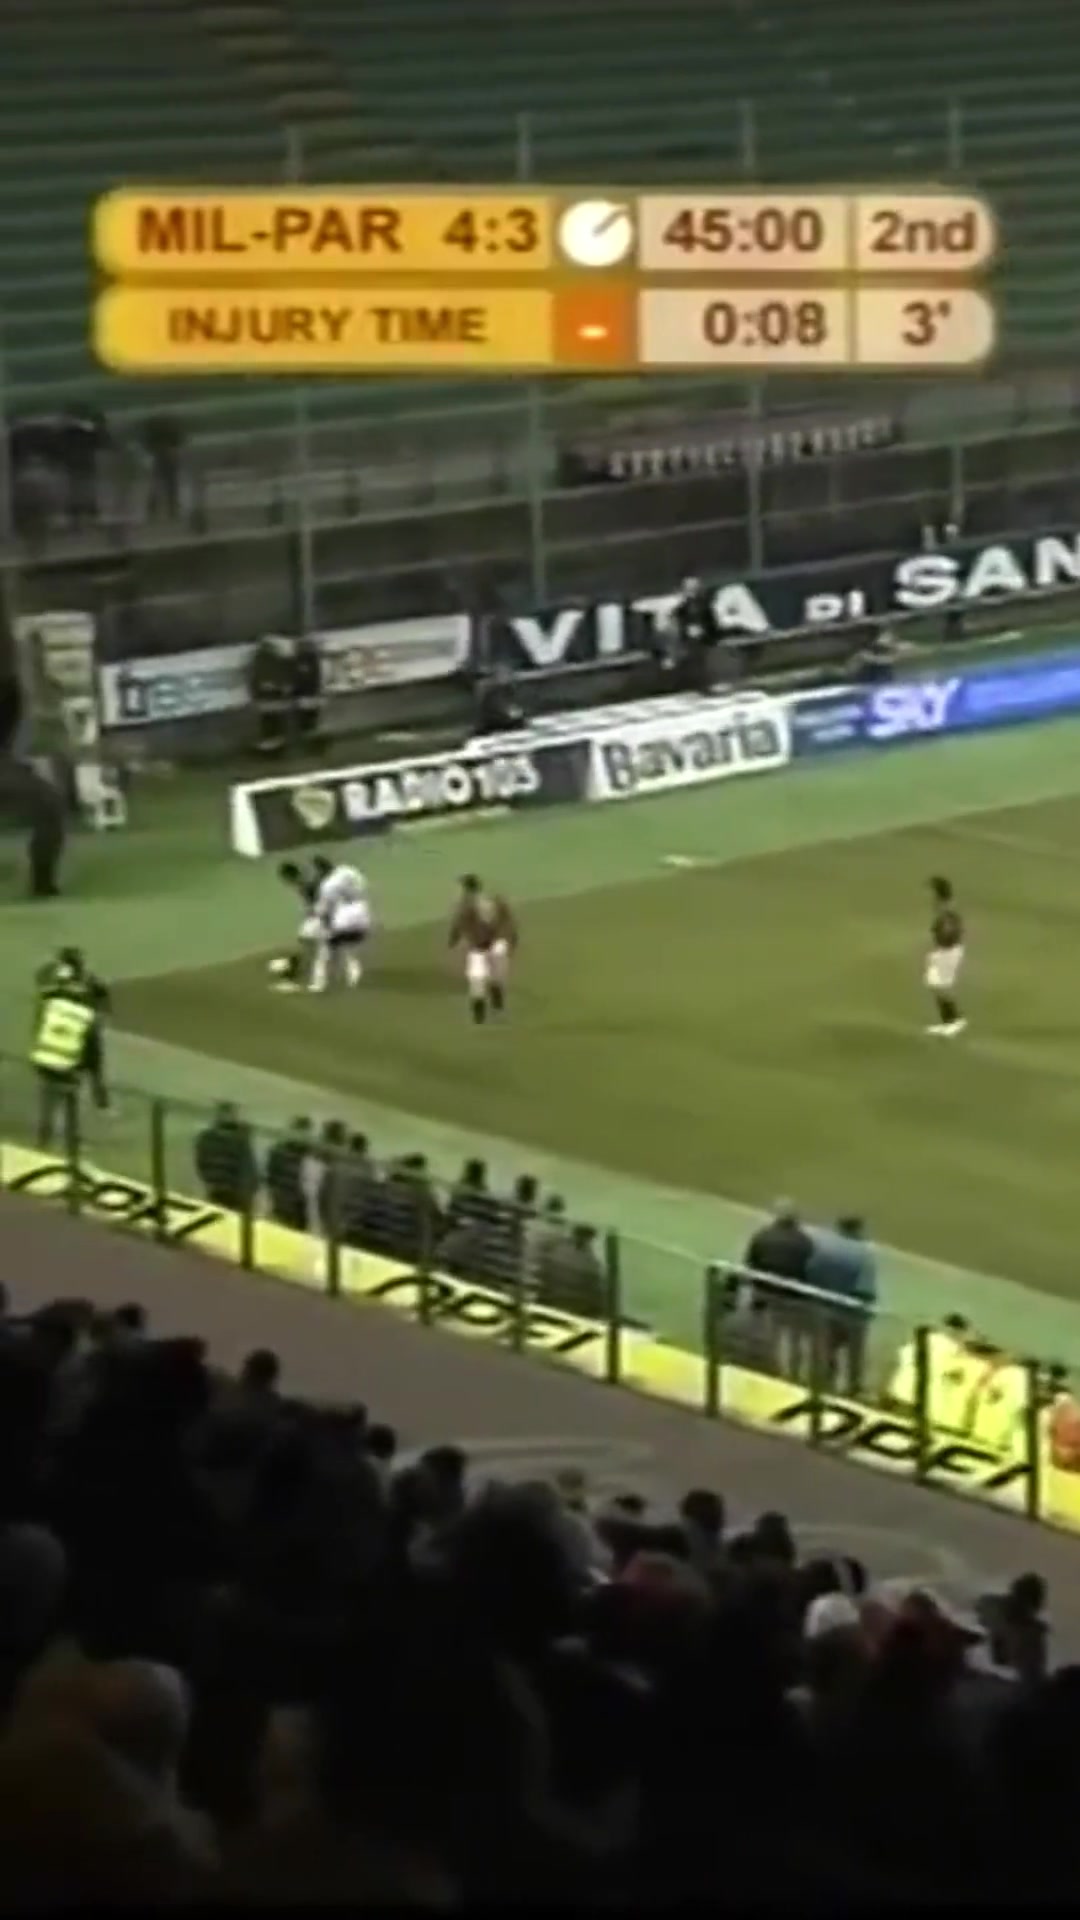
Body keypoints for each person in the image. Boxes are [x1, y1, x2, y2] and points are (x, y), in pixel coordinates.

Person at [805, 1215, 877, 1397]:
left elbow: (811, 1272)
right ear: (857, 1229)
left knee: (825, 1350)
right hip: (852, 1312)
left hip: (825, 1306)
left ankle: (822, 1385)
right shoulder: (864, 1252)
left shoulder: (824, 1247)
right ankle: (852, 1389)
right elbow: (865, 1288)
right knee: (854, 1356)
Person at [30, 966, 98, 1149]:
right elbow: (90, 1047)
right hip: (69, 1065)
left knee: (47, 1104)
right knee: (72, 1107)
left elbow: (38, 1028)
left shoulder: (51, 1005)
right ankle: (72, 1144)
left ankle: (43, 1141)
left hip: (45, 1060)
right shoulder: (85, 1015)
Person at [38, 948, 111, 1112]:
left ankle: (99, 1102)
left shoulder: (80, 981)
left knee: (91, 1069)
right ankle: (99, 1103)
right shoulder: (78, 980)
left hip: (79, 1032)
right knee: (88, 1070)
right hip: (76, 1033)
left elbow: (103, 1000)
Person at [448, 873, 517, 1025]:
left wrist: (453, 940)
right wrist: (512, 938)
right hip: (495, 945)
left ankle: (481, 1017)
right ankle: (495, 1011)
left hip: (481, 947)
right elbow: (508, 919)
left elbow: (458, 925)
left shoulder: (465, 905)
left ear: (466, 889)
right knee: (493, 979)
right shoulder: (493, 899)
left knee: (478, 981)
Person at [309, 856, 371, 992]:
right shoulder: (348, 870)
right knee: (349, 946)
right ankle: (354, 974)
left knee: (325, 950)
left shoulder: (327, 886)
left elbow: (324, 909)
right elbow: (363, 884)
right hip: (362, 913)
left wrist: (317, 917)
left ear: (320, 870)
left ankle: (319, 984)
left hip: (344, 918)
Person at [193, 1103, 259, 1211]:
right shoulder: (240, 1140)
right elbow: (249, 1171)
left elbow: (201, 1165)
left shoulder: (206, 1138)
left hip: (215, 1190)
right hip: (236, 1195)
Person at [925, 874, 966, 1037]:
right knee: (934, 983)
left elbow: (952, 932)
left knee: (939, 985)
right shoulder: (944, 910)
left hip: (949, 952)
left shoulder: (947, 912)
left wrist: (943, 945)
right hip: (944, 951)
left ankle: (954, 1020)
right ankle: (948, 1021)